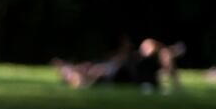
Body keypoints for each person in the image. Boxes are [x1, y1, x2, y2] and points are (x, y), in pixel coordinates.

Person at [52, 37, 185, 92]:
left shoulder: (94, 67)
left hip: (124, 67)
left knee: (152, 47)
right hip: (124, 70)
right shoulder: (97, 75)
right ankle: (173, 51)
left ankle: (172, 51)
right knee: (153, 48)